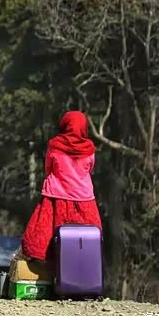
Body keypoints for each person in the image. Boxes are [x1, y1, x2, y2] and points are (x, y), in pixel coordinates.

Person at [21, 110, 102, 261]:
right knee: (88, 239)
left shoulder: (54, 146)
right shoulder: (89, 150)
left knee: (47, 238)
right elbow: (90, 169)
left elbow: (48, 168)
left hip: (55, 199)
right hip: (84, 200)